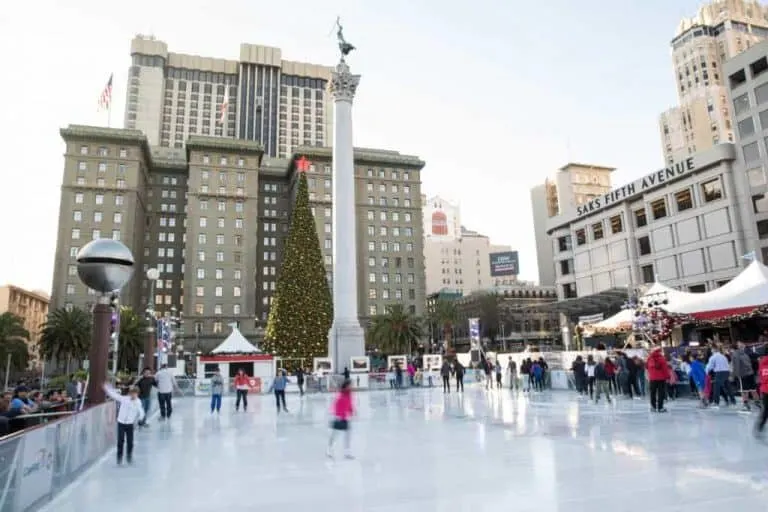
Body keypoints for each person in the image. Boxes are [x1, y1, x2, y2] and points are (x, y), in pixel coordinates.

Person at [103, 381, 145, 465]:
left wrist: (140, 418)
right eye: (132, 393)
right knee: (120, 441)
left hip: (130, 424)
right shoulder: (124, 399)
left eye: (135, 394)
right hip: (121, 423)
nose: (133, 395)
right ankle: (119, 458)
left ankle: (129, 456)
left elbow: (141, 411)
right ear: (129, 393)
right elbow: (115, 395)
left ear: (137, 394)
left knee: (130, 441)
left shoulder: (138, 402)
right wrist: (107, 388)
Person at [327, 379, 354, 459]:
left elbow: (349, 403)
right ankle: (329, 449)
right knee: (335, 435)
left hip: (345, 417)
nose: (352, 386)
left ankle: (347, 452)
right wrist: (338, 416)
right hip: (338, 417)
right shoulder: (340, 394)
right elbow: (336, 405)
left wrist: (351, 411)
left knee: (347, 435)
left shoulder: (349, 393)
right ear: (346, 385)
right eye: (350, 385)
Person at [733, 342, 760, 411]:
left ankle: (746, 405)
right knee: (752, 389)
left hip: (742, 374)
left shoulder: (736, 354)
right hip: (750, 373)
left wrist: (736, 375)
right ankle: (757, 403)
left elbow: (737, 365)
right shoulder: (745, 353)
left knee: (744, 390)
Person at [647, 347, 671, 413]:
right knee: (661, 393)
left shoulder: (649, 358)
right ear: (660, 352)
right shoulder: (662, 359)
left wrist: (650, 375)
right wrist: (668, 377)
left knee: (652, 393)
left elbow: (646, 367)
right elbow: (665, 369)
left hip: (652, 378)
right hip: (661, 378)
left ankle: (653, 407)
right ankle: (660, 408)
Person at [754, 354, 768, 438]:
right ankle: (759, 427)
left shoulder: (762, 363)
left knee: (765, 410)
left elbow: (760, 376)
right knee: (766, 411)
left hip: (764, 390)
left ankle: (759, 427)